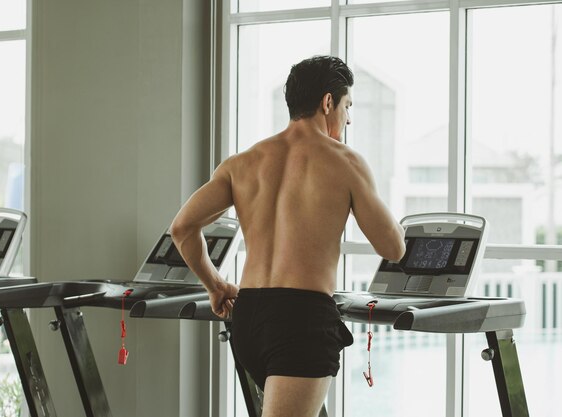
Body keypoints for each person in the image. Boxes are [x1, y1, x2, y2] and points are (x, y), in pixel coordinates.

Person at [170, 55, 405, 417]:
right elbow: (393, 247)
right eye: (347, 106)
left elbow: (182, 228)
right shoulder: (345, 162)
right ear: (328, 102)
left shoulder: (242, 163)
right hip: (301, 320)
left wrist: (215, 285)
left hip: (249, 318)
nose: (348, 117)